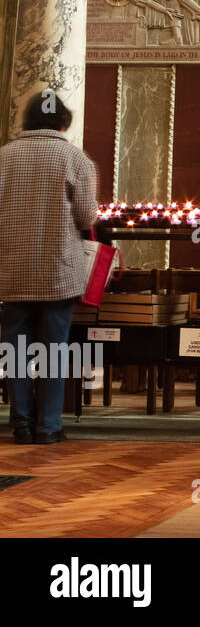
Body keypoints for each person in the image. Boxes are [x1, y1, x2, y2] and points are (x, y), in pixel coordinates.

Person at [0, 91, 98, 444]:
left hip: (12, 270)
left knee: (14, 352)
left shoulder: (4, 156)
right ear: (63, 121)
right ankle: (49, 427)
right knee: (54, 350)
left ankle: (21, 424)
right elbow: (86, 217)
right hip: (58, 271)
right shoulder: (76, 159)